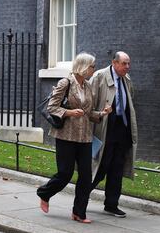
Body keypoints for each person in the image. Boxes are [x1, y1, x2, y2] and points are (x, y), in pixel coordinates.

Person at [36, 52, 111, 223]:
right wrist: (69, 112)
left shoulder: (88, 86)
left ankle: (79, 213)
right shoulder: (66, 83)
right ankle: (44, 193)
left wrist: (102, 113)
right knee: (65, 173)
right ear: (83, 67)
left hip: (84, 137)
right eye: (92, 66)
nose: (94, 69)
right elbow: (51, 107)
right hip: (66, 136)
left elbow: (88, 113)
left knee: (86, 177)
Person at [90, 51, 138, 218]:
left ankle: (111, 204)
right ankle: (82, 195)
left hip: (122, 130)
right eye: (124, 63)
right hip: (105, 129)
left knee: (117, 168)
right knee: (101, 166)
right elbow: (90, 104)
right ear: (114, 62)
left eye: (128, 63)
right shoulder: (99, 76)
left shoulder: (127, 79)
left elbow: (129, 101)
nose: (127, 67)